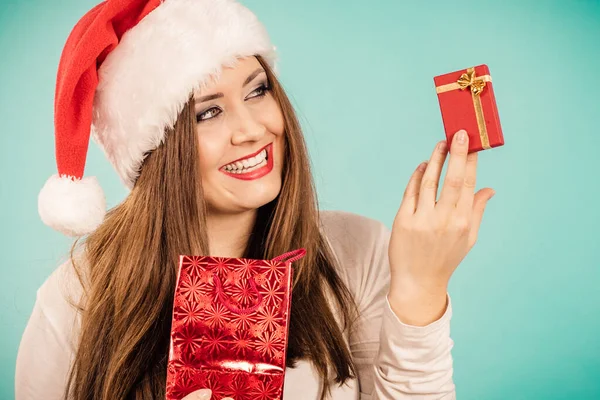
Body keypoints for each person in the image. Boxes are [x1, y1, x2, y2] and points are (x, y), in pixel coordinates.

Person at [15, 0, 495, 399]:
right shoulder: (76, 297)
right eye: (209, 113)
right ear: (157, 150)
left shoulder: (359, 252)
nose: (251, 130)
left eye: (257, 90)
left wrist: (420, 291)